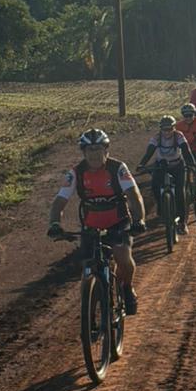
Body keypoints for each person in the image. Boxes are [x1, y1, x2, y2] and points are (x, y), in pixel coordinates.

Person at [48, 128, 146, 314]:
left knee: (123, 258)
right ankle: (89, 313)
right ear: (83, 152)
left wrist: (139, 219)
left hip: (118, 221)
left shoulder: (118, 168)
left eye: (98, 149)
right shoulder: (76, 173)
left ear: (106, 150)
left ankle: (126, 287)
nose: (94, 154)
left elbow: (134, 196)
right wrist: (54, 223)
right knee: (88, 268)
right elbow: (59, 201)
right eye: (89, 150)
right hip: (91, 225)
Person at [137, 115, 196, 235]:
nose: (167, 132)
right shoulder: (157, 138)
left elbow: (186, 150)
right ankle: (161, 206)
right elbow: (149, 152)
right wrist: (141, 164)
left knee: (180, 191)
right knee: (154, 186)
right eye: (164, 129)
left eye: (169, 129)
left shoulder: (179, 136)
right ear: (160, 129)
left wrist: (191, 163)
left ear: (174, 128)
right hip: (161, 166)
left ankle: (182, 222)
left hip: (177, 166)